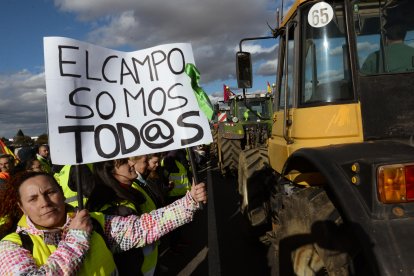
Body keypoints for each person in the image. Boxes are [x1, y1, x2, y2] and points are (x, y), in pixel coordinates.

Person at [0, 171, 207, 275]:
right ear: (21, 207)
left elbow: (142, 228)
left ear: (61, 193)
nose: (44, 203)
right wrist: (76, 240)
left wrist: (188, 202)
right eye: (33, 199)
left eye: (50, 192)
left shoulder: (94, 222)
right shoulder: (11, 246)